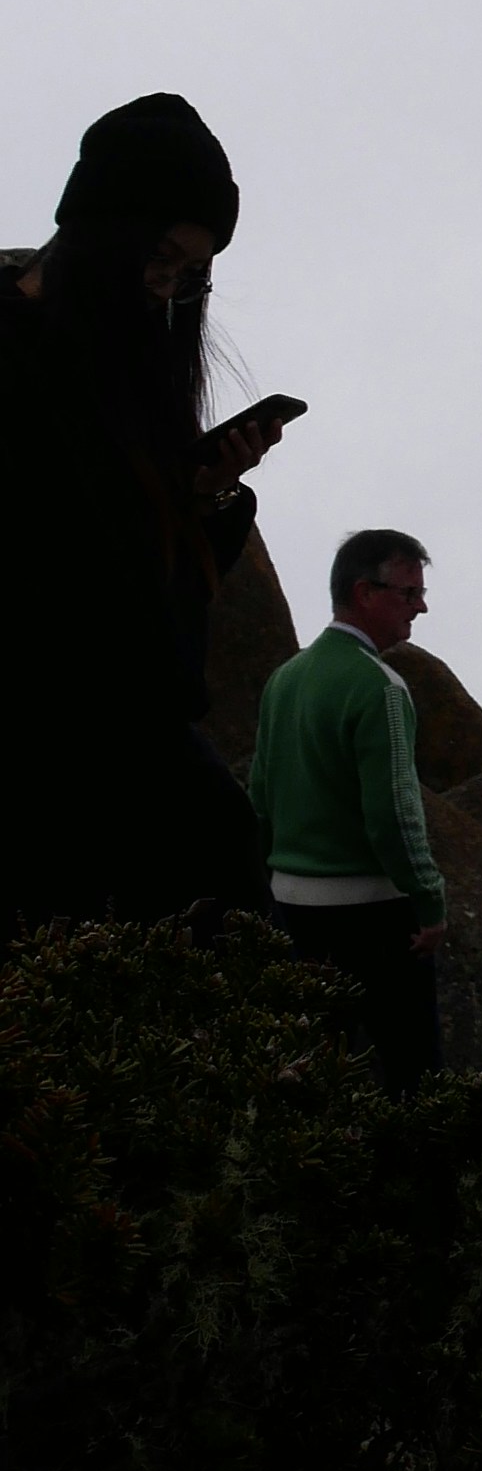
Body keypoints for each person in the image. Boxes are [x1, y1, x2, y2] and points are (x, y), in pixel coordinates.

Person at [0, 94, 290, 937]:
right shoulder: (14, 353)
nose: (171, 284)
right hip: (39, 742)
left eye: (193, 270)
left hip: (121, 732)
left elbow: (144, 584)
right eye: (163, 254)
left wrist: (201, 496)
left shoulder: (131, 374)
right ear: (105, 223)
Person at [250, 530, 448, 1090]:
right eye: (410, 593)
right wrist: (429, 900)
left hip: (292, 909)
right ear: (365, 592)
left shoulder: (284, 680)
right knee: (416, 1080)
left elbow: (260, 796)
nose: (422, 606)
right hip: (374, 918)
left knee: (305, 1077)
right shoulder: (379, 688)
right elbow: (394, 815)